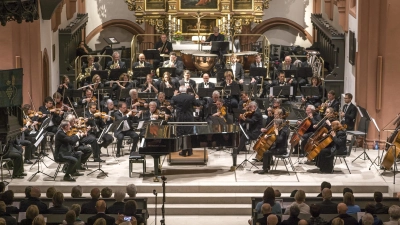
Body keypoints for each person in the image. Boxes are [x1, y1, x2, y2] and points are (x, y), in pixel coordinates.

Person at [171, 86, 201, 156]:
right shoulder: (191, 97)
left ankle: (183, 151)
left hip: (180, 118)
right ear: (186, 90)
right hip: (189, 118)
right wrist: (197, 98)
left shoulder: (176, 97)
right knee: (189, 134)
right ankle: (190, 151)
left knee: (181, 134)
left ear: (179, 91)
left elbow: (171, 103)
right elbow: (198, 104)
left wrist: (174, 95)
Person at [232, 101, 262, 167]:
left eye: (250, 107)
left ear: (254, 107)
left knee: (244, 136)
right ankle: (242, 148)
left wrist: (244, 118)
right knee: (242, 132)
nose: (249, 109)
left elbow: (252, 121)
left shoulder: (257, 113)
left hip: (256, 132)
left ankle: (237, 150)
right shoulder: (254, 112)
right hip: (252, 130)